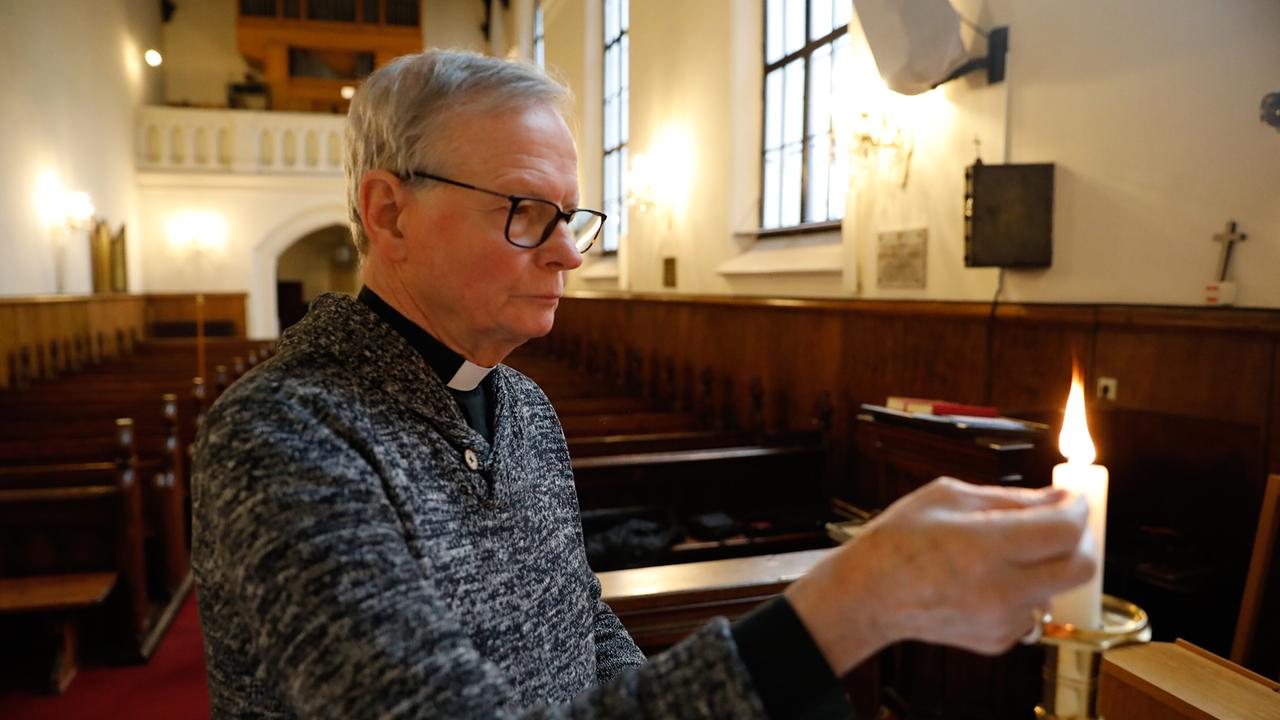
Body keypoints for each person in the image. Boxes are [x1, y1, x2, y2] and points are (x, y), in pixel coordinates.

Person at [192, 50, 1095, 719]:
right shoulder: (281, 438)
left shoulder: (525, 409)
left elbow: (583, 632)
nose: (564, 255)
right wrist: (843, 606)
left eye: (570, 218)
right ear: (388, 212)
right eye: (524, 213)